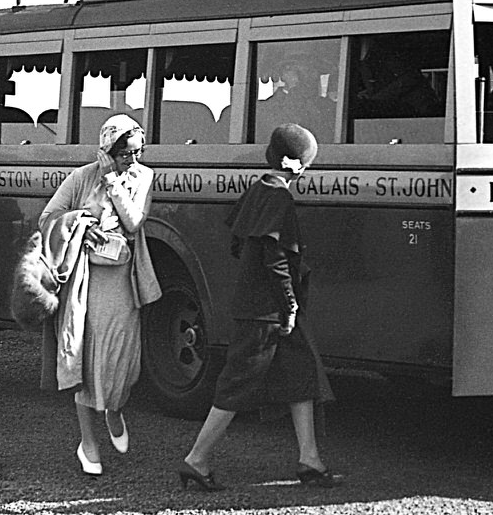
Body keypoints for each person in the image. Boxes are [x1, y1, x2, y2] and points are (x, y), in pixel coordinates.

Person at [178, 123, 338, 491]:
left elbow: (239, 245)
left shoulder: (258, 190)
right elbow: (276, 258)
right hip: (266, 312)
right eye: (306, 163)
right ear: (294, 164)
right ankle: (196, 460)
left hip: (257, 306)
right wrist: (290, 304)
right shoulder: (279, 197)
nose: (306, 171)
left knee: (301, 376)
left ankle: (310, 460)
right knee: (237, 385)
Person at [38, 114, 162, 475]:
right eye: (125, 154)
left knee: (121, 360)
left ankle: (115, 408)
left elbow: (135, 221)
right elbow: (50, 216)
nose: (133, 160)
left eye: (138, 153)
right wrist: (80, 224)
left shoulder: (143, 177)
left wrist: (113, 180)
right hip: (87, 279)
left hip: (124, 278)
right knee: (87, 360)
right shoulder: (80, 177)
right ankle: (88, 442)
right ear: (108, 151)